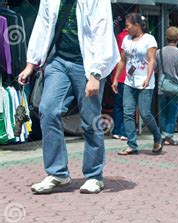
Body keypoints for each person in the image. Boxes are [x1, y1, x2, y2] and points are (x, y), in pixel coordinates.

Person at [18, 0, 120, 194]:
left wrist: (96, 73)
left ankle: (94, 175)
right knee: (48, 110)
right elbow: (42, 25)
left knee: (91, 120)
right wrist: (31, 63)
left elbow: (103, 29)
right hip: (58, 60)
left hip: (88, 63)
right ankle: (58, 173)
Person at [112, 13, 162, 155]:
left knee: (145, 113)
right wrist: (116, 78)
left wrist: (148, 76)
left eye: (128, 26)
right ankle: (132, 145)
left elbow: (151, 60)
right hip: (129, 81)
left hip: (145, 81)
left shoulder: (149, 39)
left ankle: (158, 137)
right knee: (128, 112)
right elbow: (122, 60)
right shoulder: (126, 40)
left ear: (137, 25)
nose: (126, 29)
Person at [156, 27, 178, 146]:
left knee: (163, 113)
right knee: (173, 113)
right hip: (176, 89)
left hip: (162, 88)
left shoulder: (159, 52)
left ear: (166, 38)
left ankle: (162, 136)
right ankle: (168, 138)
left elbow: (155, 69)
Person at [111, 24, 128, 141]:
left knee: (118, 105)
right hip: (126, 77)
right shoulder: (129, 39)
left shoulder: (119, 37)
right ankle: (123, 131)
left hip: (117, 75)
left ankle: (116, 130)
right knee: (127, 106)